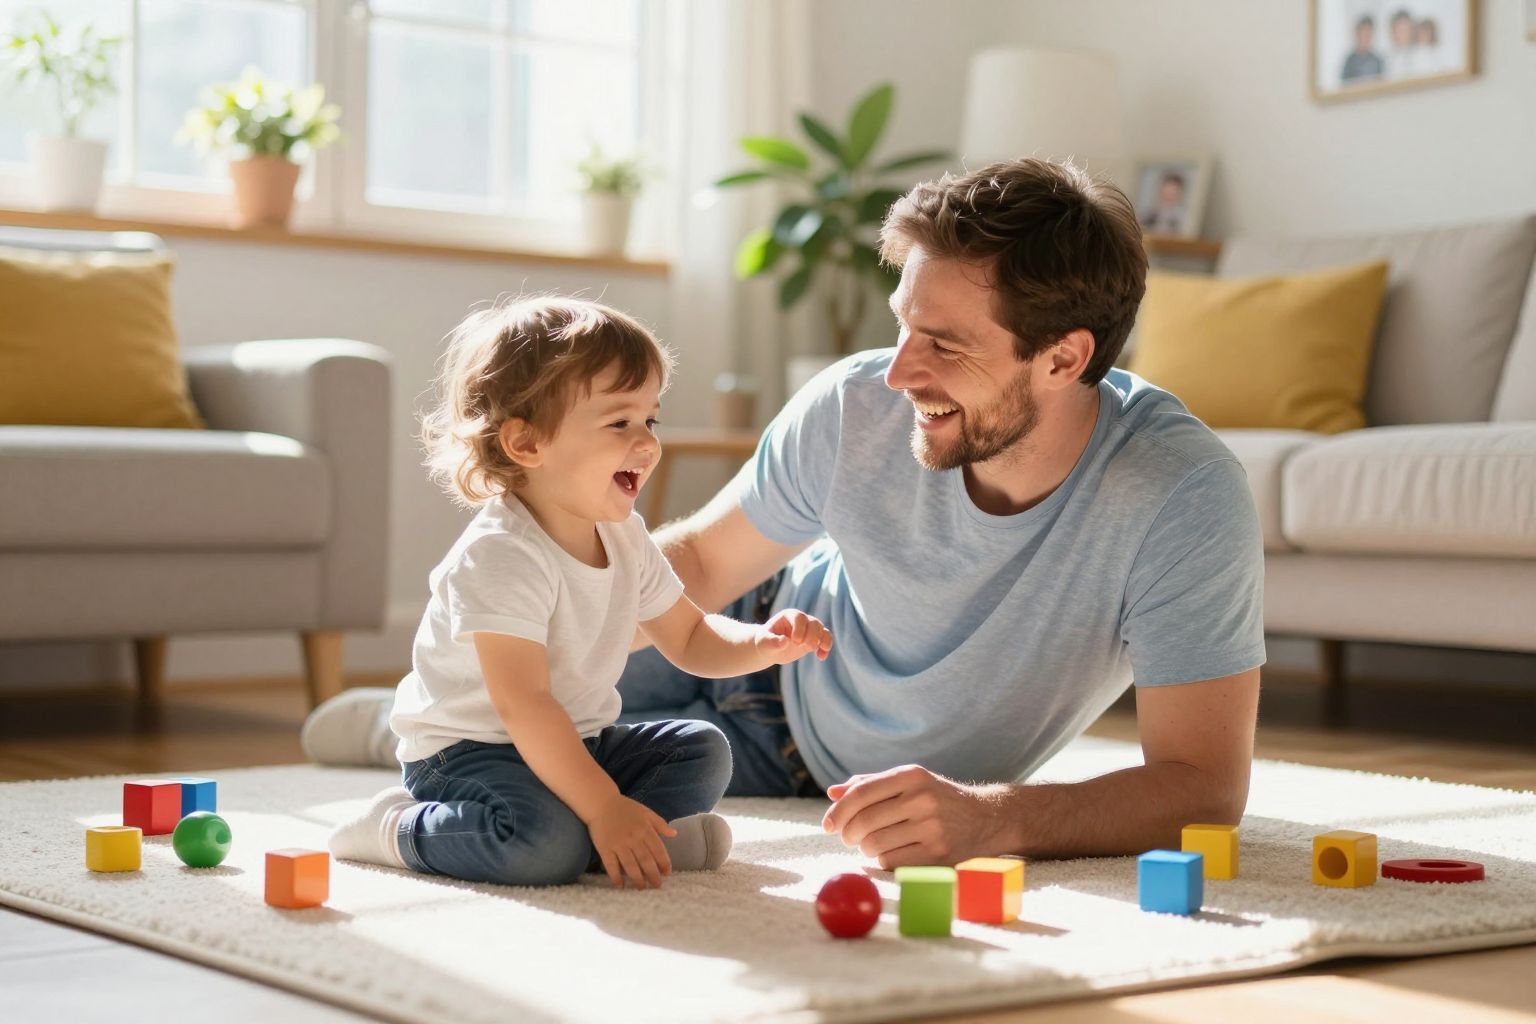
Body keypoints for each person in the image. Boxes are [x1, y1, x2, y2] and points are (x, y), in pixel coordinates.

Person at [308, 158, 1264, 869]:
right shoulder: (858, 404)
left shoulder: (1179, 497)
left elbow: (1205, 789)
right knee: (512, 714)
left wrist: (995, 819)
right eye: (901, 324)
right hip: (744, 638)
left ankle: (414, 716)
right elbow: (705, 566)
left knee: (575, 740)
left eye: (942, 343)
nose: (897, 373)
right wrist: (531, 609)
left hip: (769, 746)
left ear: (1062, 357)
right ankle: (410, 719)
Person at [324, 298, 832, 890]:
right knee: (541, 848)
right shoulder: (501, 555)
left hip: (578, 743)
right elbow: (526, 706)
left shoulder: (624, 536)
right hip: (471, 751)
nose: (646, 443)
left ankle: (620, 838)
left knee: (701, 749)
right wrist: (601, 807)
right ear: (527, 444)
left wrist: (761, 642)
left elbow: (690, 636)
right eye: (620, 423)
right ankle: (397, 829)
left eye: (651, 420)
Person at [1341, 14, 1385, 82]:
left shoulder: (1377, 60)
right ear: (1357, 34)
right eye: (1363, 33)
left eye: (1369, 34)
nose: (1366, 38)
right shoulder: (1350, 61)